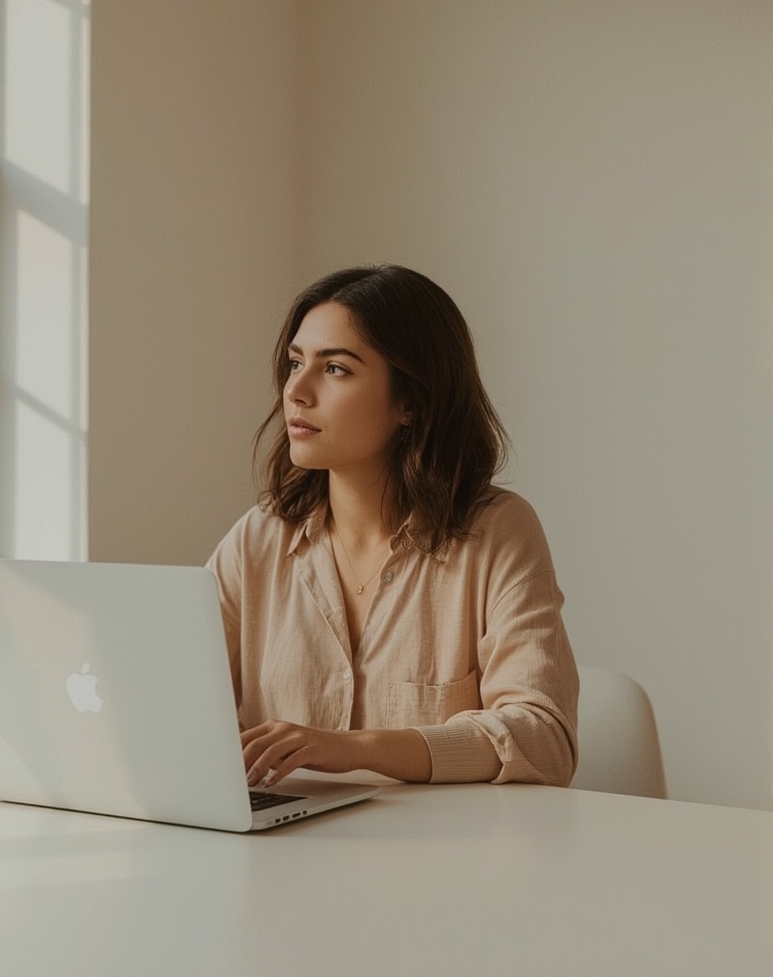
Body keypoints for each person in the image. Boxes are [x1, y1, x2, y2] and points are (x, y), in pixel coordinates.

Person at [207, 264, 578, 788]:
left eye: (335, 368)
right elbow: (173, 699)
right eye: (295, 363)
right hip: (283, 851)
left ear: (410, 401)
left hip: (443, 859)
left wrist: (355, 749)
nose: (298, 391)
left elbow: (544, 738)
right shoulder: (257, 539)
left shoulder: (497, 532)